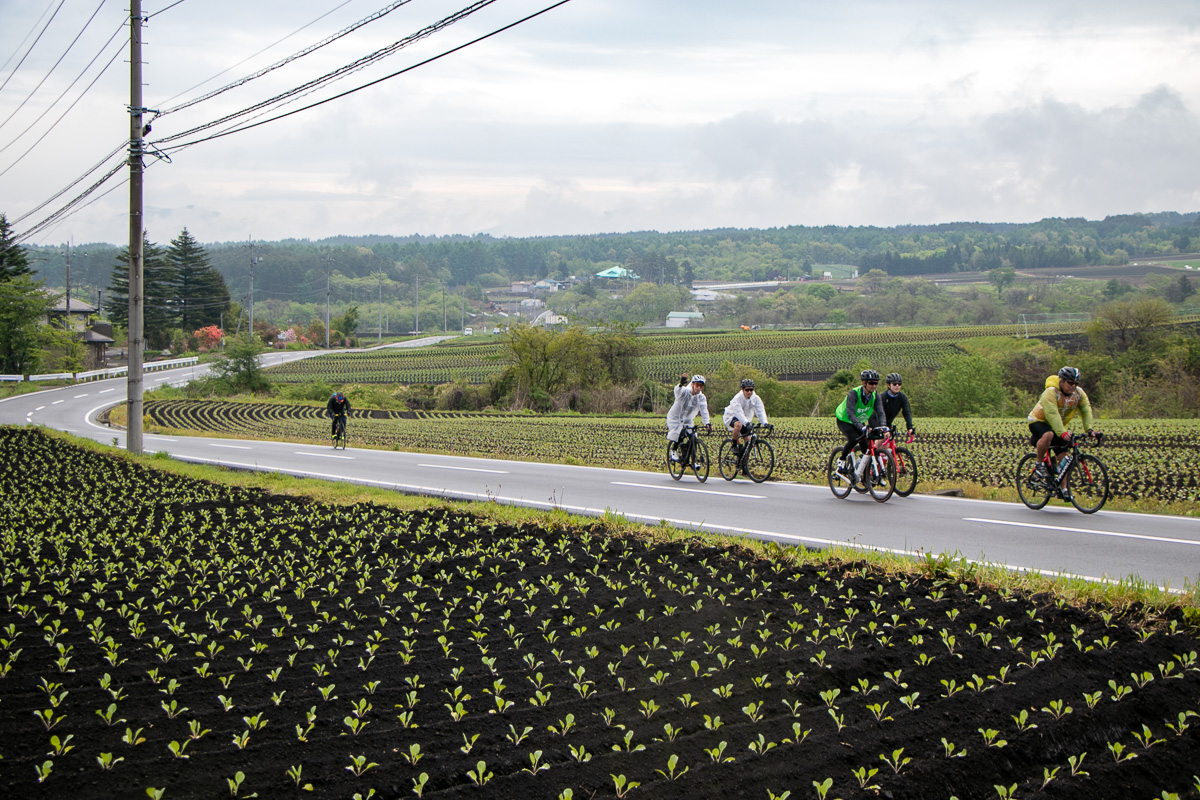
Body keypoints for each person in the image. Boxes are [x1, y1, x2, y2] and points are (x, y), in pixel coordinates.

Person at [1027, 366, 1098, 494]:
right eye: (1070, 383)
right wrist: (1062, 433)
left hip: (1057, 426)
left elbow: (1086, 410)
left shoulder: (1078, 394)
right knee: (1048, 434)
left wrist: (1090, 430)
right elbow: (1052, 414)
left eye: (1075, 384)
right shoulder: (1051, 392)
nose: (1072, 386)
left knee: (1064, 457)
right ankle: (1039, 463)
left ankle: (1063, 489)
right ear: (1061, 381)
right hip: (1038, 421)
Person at [834, 369, 886, 478]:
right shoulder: (854, 393)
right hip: (844, 419)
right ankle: (841, 460)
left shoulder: (875, 395)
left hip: (859, 421)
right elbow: (850, 413)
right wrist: (861, 427)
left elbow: (880, 412)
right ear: (864, 383)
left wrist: (883, 426)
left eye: (876, 383)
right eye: (871, 383)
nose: (874, 386)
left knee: (866, 447)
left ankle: (861, 474)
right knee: (854, 438)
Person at [666, 374, 711, 460]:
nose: (699, 388)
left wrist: (707, 423)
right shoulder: (684, 392)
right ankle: (674, 450)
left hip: (687, 420)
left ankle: (693, 460)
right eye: (697, 385)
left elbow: (704, 411)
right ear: (692, 384)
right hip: (675, 418)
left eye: (701, 386)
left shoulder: (701, 397)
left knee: (693, 438)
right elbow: (677, 391)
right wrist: (680, 384)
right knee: (681, 433)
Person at [723, 378, 769, 461]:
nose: (749, 392)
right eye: (747, 390)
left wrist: (765, 423)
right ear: (742, 389)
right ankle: (734, 444)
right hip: (731, 416)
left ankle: (743, 462)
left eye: (751, 390)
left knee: (749, 442)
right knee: (738, 425)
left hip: (745, 420)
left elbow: (760, 411)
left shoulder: (756, 398)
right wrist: (746, 423)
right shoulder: (737, 398)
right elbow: (738, 412)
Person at [881, 373, 914, 439]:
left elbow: (907, 412)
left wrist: (909, 427)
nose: (897, 386)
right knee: (882, 442)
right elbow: (879, 413)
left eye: (899, 384)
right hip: (878, 422)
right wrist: (883, 427)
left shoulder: (902, 397)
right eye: (894, 384)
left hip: (888, 423)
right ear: (888, 385)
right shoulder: (882, 397)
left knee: (890, 445)